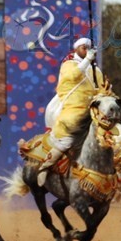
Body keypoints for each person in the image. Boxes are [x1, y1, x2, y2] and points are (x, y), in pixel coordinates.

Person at [37, 38, 100, 184]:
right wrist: (87, 60)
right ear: (76, 49)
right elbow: (73, 76)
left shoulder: (95, 69)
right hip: (73, 107)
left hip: (94, 109)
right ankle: (45, 167)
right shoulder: (68, 64)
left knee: (112, 134)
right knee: (68, 139)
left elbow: (102, 85)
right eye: (84, 48)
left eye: (89, 48)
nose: (87, 50)